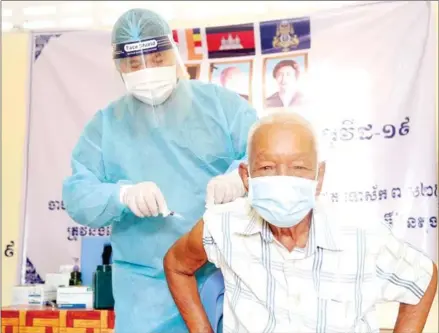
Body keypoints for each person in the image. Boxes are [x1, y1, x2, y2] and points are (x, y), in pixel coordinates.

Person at [62, 8, 258, 333]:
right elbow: (78, 195)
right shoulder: (106, 127)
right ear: (119, 67)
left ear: (173, 52)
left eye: (156, 59)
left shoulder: (220, 107)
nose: (147, 71)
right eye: (135, 65)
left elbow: (265, 153)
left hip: (221, 275)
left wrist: (238, 179)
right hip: (145, 290)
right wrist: (121, 195)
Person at [164, 112, 438, 333]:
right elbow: (177, 264)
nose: (283, 179)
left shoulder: (362, 236)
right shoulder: (223, 226)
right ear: (247, 177)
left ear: (319, 177)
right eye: (267, 168)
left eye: (298, 168)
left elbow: (423, 279)